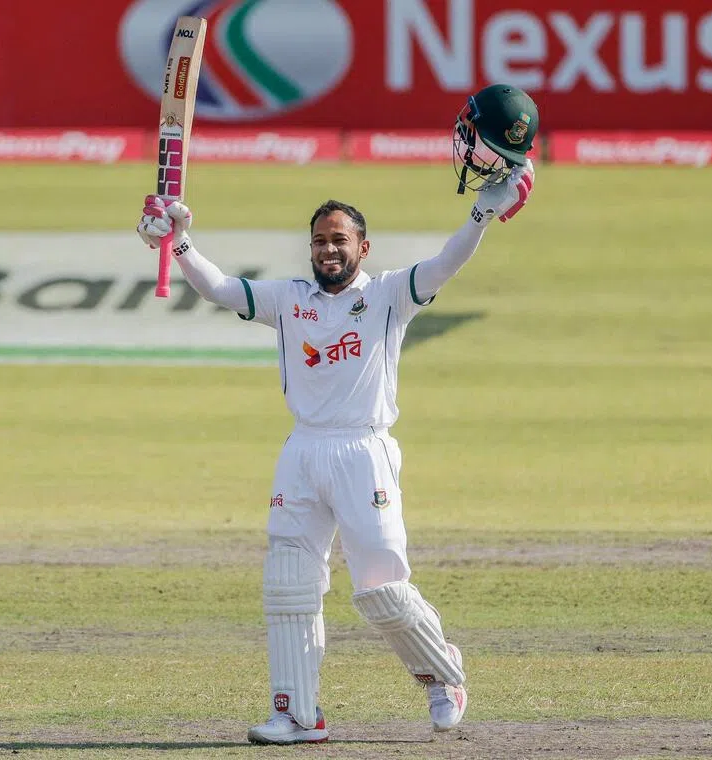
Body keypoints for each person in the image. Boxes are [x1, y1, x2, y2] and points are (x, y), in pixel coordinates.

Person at [136, 85, 540, 745]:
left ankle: (443, 673)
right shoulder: (287, 300)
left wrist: (481, 217)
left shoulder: (388, 297)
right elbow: (218, 288)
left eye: (340, 241)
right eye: (320, 240)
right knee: (289, 584)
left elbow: (444, 264)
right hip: (301, 453)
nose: (328, 250)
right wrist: (178, 239)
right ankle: (297, 714)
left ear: (362, 247)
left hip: (363, 451)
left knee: (379, 590)